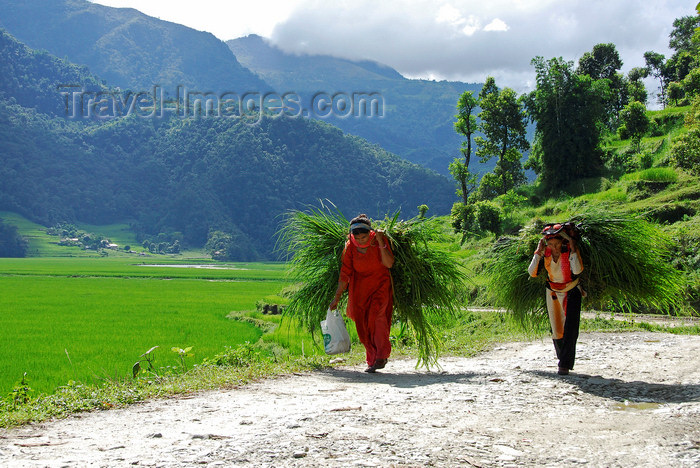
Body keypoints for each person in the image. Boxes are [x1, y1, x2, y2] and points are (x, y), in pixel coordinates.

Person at [329, 214, 394, 373]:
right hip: (359, 290)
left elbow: (389, 263)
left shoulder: (378, 240)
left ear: (370, 232)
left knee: (377, 317)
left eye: (364, 236)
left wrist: (379, 240)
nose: (360, 239)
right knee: (363, 326)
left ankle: (381, 356)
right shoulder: (350, 246)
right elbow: (345, 273)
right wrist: (336, 298)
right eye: (356, 236)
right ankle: (372, 360)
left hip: (381, 286)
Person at [528, 223, 584, 375]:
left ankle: (564, 365)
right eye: (551, 244)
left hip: (571, 291)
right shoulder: (544, 253)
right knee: (556, 329)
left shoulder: (569, 252)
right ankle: (562, 358)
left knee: (570, 329)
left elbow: (578, 270)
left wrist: (573, 248)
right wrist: (538, 253)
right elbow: (532, 272)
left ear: (563, 242)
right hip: (552, 292)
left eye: (557, 244)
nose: (554, 247)